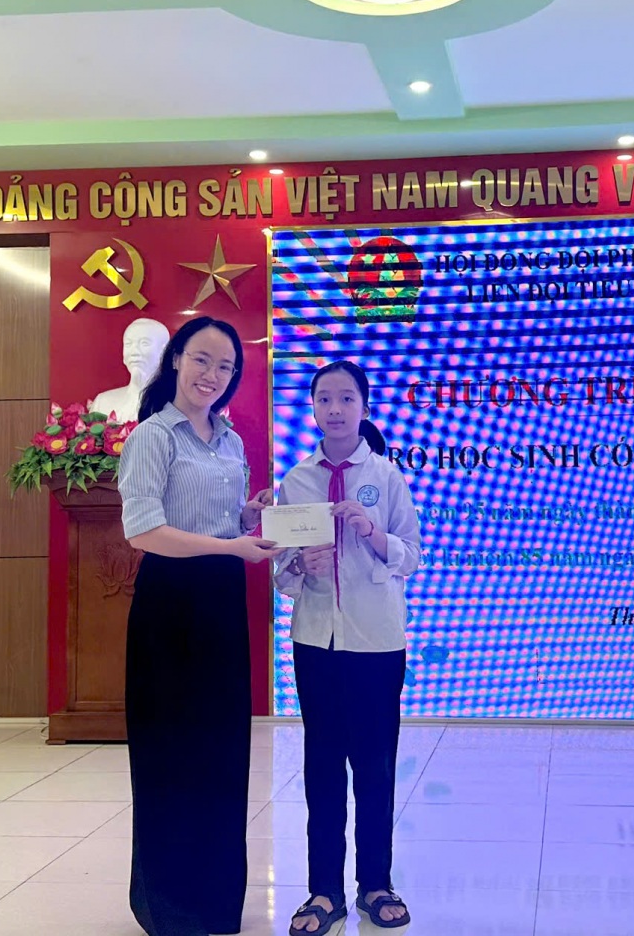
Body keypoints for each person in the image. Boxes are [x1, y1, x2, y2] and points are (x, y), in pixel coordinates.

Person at [116, 315, 279, 936]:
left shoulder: (230, 440)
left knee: (220, 751)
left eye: (225, 366)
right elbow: (144, 532)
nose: (212, 375)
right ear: (177, 360)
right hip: (170, 604)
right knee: (170, 752)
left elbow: (222, 522)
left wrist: (249, 516)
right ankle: (169, 907)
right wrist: (232, 547)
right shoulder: (153, 436)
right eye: (202, 360)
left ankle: (214, 902)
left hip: (221, 604)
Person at [275, 360, 419, 934]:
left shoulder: (385, 476)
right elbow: (280, 574)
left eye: (346, 398)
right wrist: (298, 567)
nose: (334, 409)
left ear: (364, 406)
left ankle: (376, 885)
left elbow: (412, 556)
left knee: (375, 766)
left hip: (376, 644)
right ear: (312, 408)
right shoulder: (296, 481)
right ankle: (323, 891)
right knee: (322, 767)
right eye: (324, 399)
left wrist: (371, 531)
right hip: (316, 641)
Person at [90, 317, 170, 422]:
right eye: (128, 344)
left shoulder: (178, 405)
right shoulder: (103, 402)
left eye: (144, 343)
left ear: (164, 351)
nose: (134, 352)